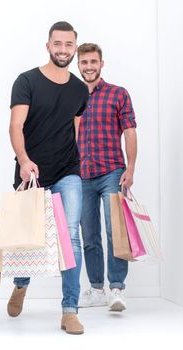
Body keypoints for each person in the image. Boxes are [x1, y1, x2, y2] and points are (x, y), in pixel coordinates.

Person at [7, 21, 89, 335]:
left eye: (69, 45)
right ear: (48, 46)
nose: (63, 50)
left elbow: (77, 129)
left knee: (71, 236)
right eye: (58, 44)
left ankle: (70, 310)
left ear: (74, 48)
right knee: (28, 238)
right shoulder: (26, 81)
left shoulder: (80, 89)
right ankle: (21, 284)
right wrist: (24, 160)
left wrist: (79, 163)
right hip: (32, 171)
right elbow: (16, 126)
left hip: (68, 170)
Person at [76, 43, 137, 312]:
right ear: (78, 65)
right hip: (81, 175)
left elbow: (130, 130)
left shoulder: (117, 94)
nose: (89, 66)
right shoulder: (71, 96)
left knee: (115, 232)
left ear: (102, 64)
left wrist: (131, 168)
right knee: (88, 235)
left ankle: (116, 289)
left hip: (112, 171)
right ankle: (97, 288)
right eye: (84, 62)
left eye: (93, 62)